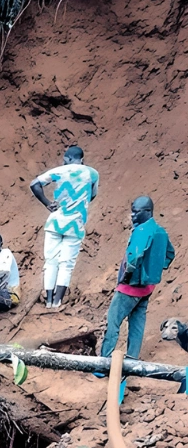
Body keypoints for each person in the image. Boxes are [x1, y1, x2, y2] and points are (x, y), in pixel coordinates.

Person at [96, 197, 174, 401]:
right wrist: (155, 270)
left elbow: (134, 257)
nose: (132, 215)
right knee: (137, 325)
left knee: (113, 324)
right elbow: (170, 254)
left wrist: (129, 276)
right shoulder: (160, 231)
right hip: (148, 288)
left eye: (136, 211)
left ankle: (102, 365)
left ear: (147, 211)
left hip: (130, 288)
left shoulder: (142, 231)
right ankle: (132, 363)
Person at [29, 145, 99, 308]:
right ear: (81, 159)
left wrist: (47, 204)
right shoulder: (92, 173)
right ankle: (57, 301)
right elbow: (93, 194)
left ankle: (47, 300)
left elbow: (34, 184)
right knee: (67, 264)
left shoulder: (59, 171)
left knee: (51, 261)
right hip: (76, 225)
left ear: (68, 158)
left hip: (55, 222)